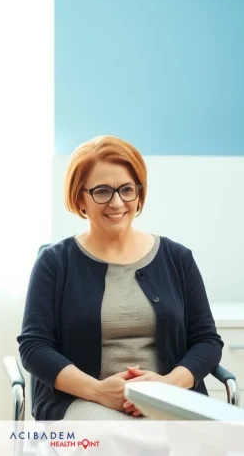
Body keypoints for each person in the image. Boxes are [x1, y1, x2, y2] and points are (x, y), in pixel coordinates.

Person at [17, 135, 223, 421]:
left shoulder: (178, 258)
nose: (116, 203)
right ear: (80, 197)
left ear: (139, 193)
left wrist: (168, 386)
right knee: (111, 440)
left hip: (169, 401)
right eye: (102, 191)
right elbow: (34, 348)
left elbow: (207, 341)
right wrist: (99, 391)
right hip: (84, 402)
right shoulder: (54, 263)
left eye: (127, 189)